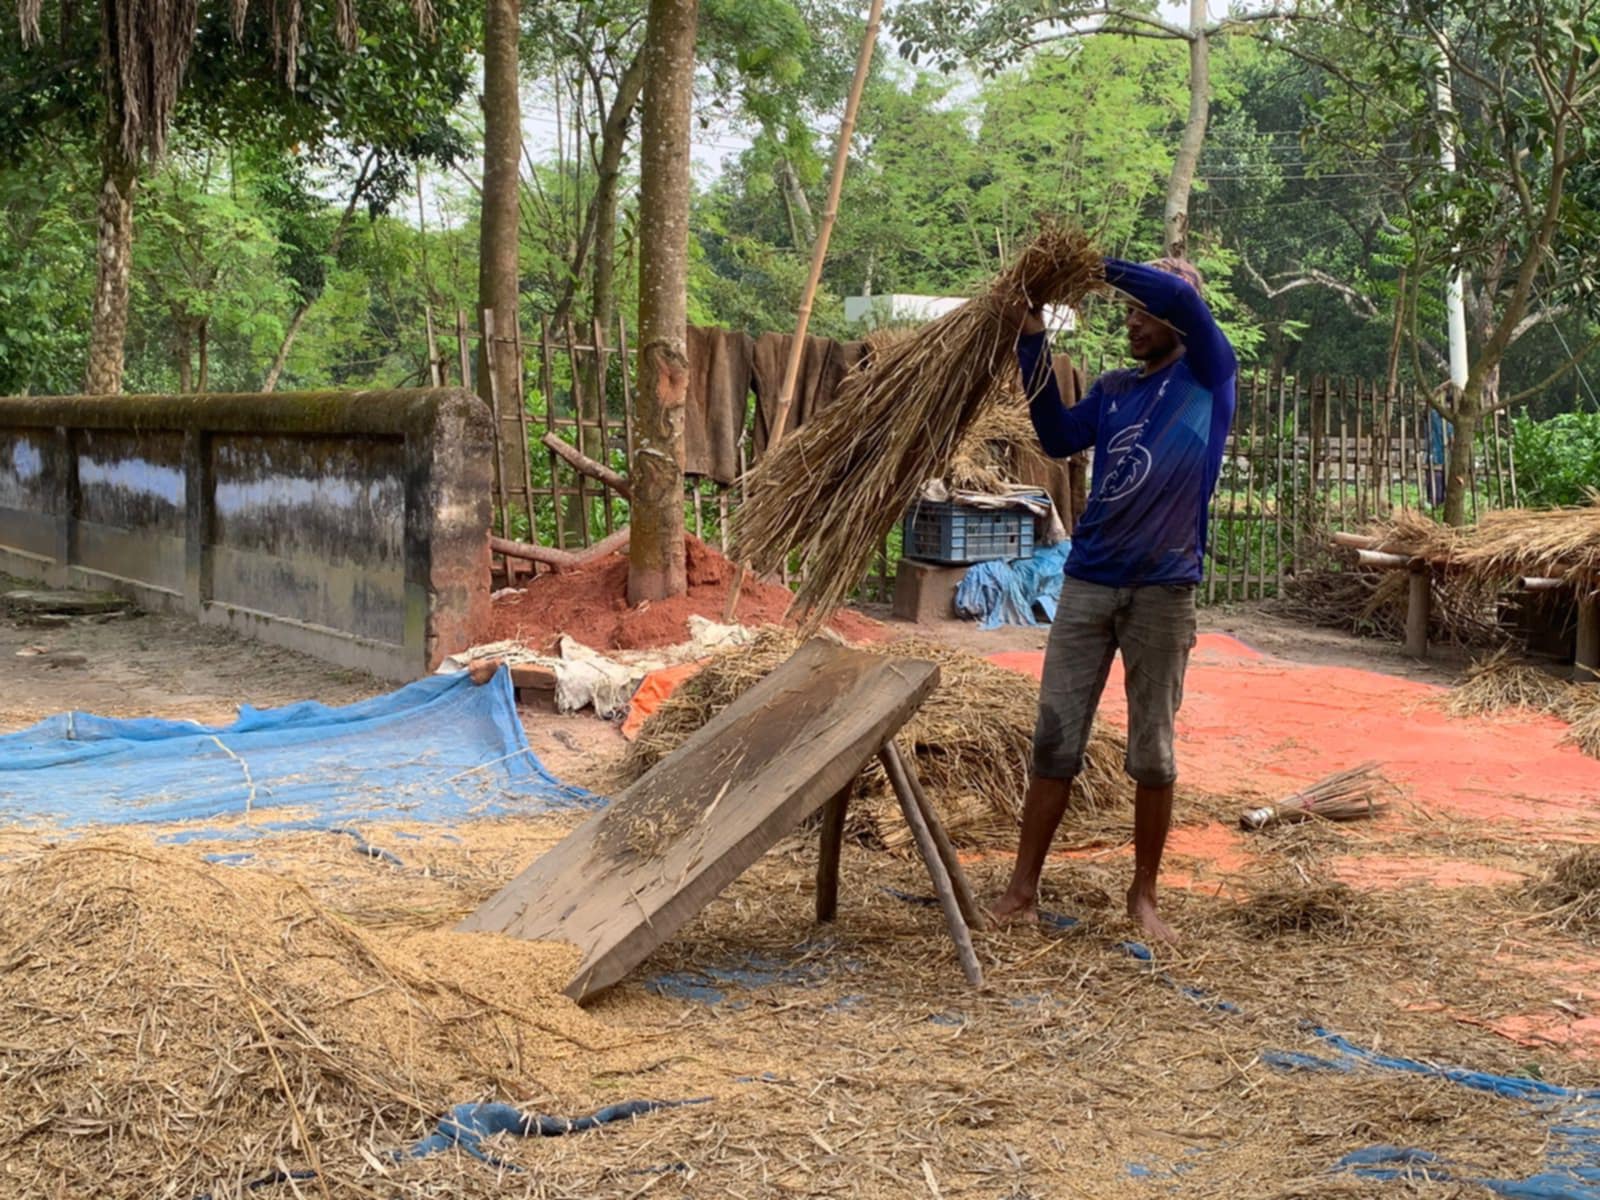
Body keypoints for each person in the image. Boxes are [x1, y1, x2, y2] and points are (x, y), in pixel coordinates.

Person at [990, 257, 1238, 944]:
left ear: (1178, 314)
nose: (1129, 318)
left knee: (1153, 751)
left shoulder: (1209, 375)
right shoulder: (1117, 388)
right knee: (1054, 736)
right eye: (1123, 308)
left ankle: (1144, 897)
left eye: (1140, 309)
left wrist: (1089, 264)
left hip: (1165, 586)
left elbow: (1180, 299)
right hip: (1090, 579)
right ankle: (1021, 890)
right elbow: (1057, 436)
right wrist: (1031, 339)